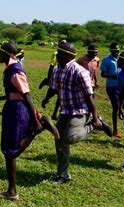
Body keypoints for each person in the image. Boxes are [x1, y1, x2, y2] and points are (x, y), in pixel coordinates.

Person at [0, 42, 59, 200]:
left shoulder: (16, 70)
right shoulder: (10, 69)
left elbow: (27, 94)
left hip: (17, 110)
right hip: (11, 107)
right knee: (9, 150)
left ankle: (12, 191)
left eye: (1, 52)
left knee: (10, 150)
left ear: (9, 54)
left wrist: (35, 118)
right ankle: (11, 191)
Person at [42, 41, 112, 184]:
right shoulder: (58, 69)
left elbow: (89, 96)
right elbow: (54, 88)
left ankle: (97, 123)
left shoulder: (80, 72)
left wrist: (94, 118)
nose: (56, 55)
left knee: (70, 137)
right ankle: (63, 175)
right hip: (66, 110)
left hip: (80, 110)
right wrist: (46, 99)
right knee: (59, 139)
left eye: (59, 53)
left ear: (67, 56)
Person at [100, 42, 122, 138]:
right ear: (110, 51)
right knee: (115, 107)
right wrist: (111, 76)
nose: (116, 53)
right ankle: (115, 130)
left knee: (122, 105)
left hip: (122, 86)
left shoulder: (122, 59)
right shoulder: (106, 60)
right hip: (111, 87)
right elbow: (102, 74)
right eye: (114, 51)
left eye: (117, 51)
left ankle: (120, 111)